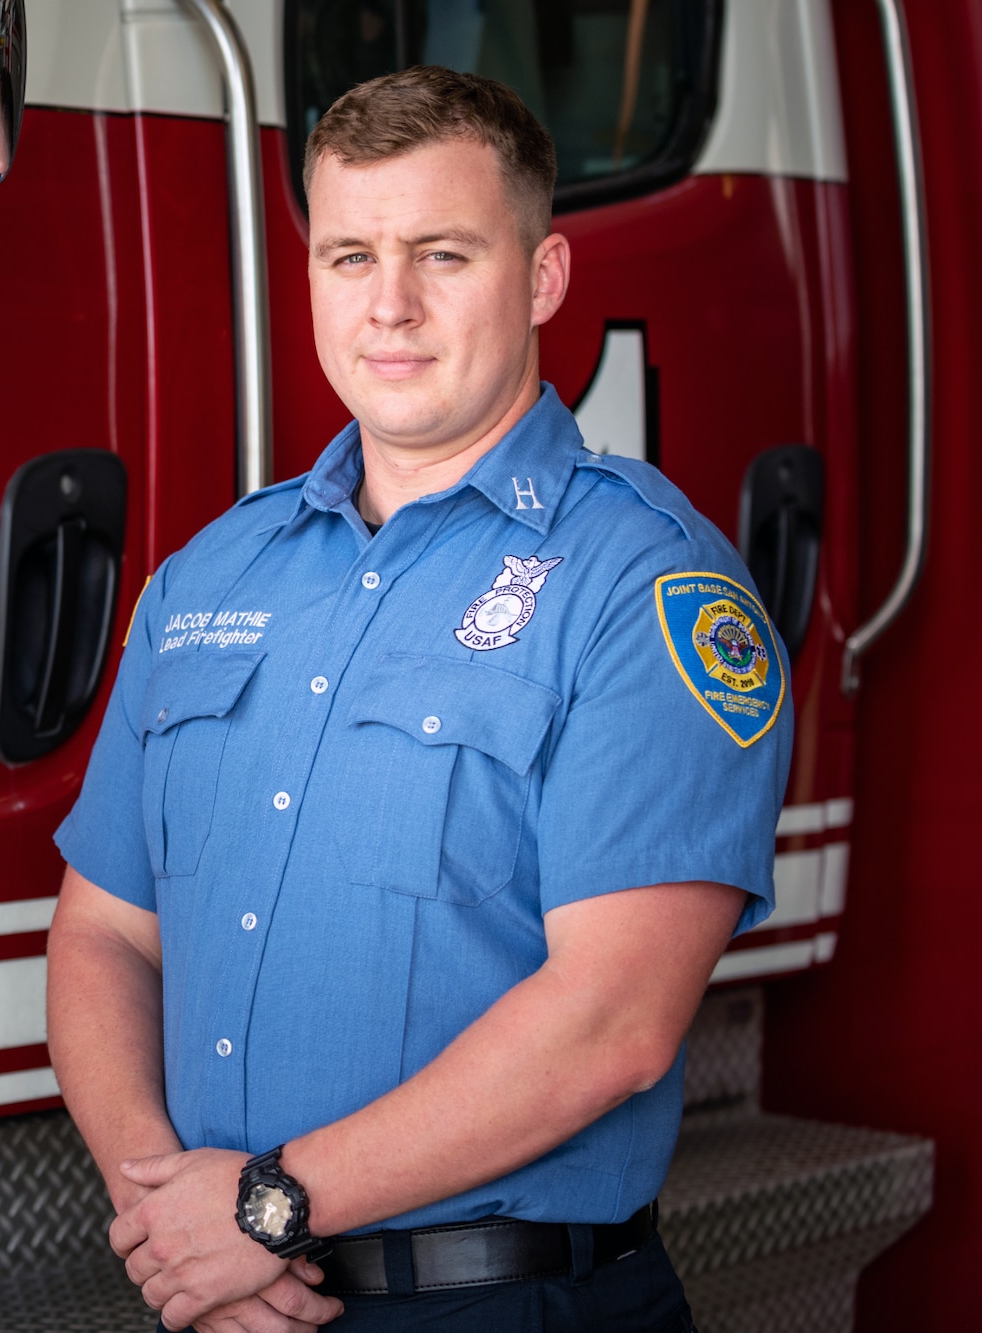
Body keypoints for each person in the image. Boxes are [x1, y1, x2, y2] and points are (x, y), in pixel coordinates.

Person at [46, 66, 789, 1333]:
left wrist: (265, 1209)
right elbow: (104, 934)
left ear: (541, 277)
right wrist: (174, 1226)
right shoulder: (212, 573)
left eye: (441, 253)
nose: (387, 305)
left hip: (507, 1307)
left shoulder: (642, 583)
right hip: (230, 1300)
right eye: (348, 256)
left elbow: (611, 1022)